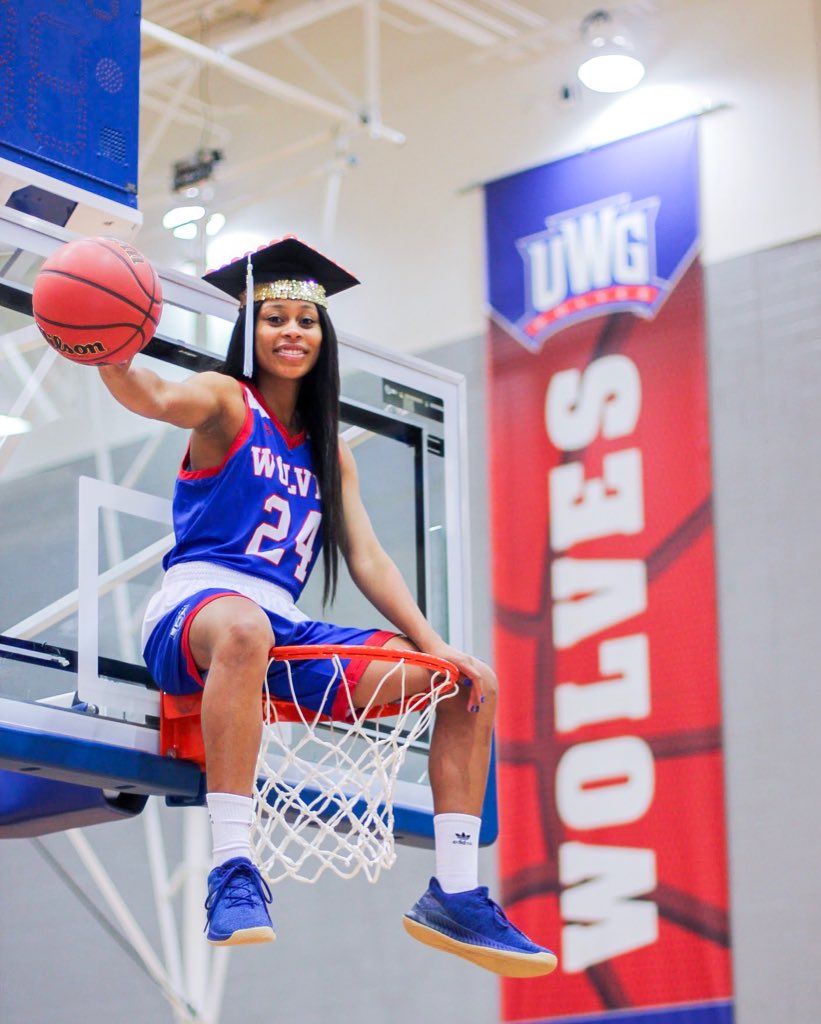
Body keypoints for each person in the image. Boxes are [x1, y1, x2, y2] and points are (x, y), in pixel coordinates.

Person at [98, 236, 556, 978]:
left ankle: (458, 893)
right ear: (250, 331)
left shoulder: (329, 452)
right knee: (245, 628)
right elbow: (151, 394)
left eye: (305, 321)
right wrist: (107, 348)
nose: (290, 332)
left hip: (280, 632)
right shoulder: (224, 400)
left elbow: (368, 558)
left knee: (472, 684)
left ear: (323, 336)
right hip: (197, 614)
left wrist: (434, 646)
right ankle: (233, 868)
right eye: (273, 318)